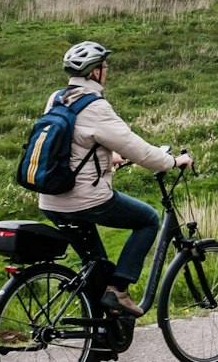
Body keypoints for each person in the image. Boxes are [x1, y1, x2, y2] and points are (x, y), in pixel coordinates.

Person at [38, 41, 192, 318]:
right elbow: (140, 150)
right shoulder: (96, 106)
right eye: (104, 66)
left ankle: (99, 332)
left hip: (51, 200)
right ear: (95, 72)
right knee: (147, 219)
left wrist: (109, 158)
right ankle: (119, 289)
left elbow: (71, 146)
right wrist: (172, 161)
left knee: (94, 265)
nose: (107, 70)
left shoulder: (56, 98)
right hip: (85, 199)